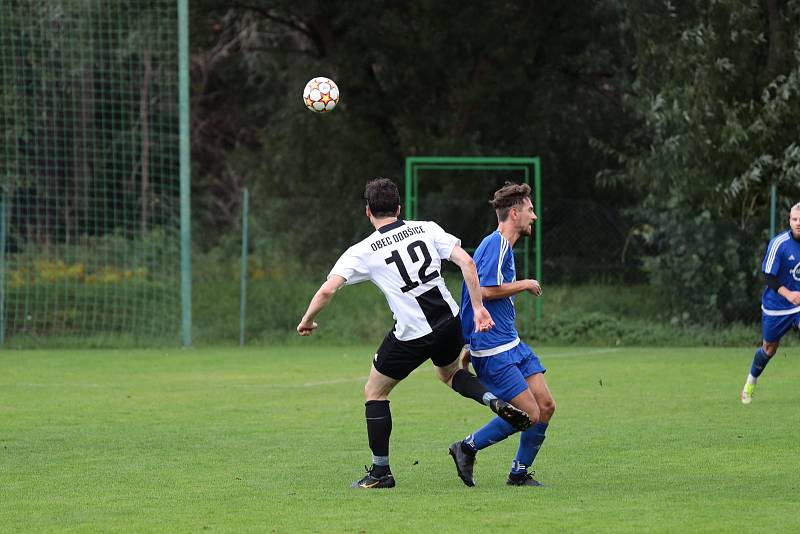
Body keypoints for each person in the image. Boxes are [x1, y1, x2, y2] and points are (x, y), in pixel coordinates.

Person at [296, 177, 530, 489]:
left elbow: (327, 291)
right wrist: (478, 308)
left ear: (368, 212)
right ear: (399, 208)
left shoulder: (362, 250)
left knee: (375, 392)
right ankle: (491, 399)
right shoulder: (426, 227)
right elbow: (467, 262)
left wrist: (307, 320)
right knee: (448, 373)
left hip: (413, 334)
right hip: (450, 323)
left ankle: (380, 473)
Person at [448, 182, 555, 487]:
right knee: (529, 413)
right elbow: (482, 290)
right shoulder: (496, 244)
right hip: (495, 351)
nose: (534, 216)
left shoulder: (502, 247)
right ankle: (466, 447)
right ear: (514, 212)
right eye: (530, 210)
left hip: (511, 343)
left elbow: (474, 296)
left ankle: (519, 473)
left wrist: (469, 341)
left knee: (545, 406)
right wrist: (525, 283)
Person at [740, 202, 800, 404]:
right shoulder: (779, 243)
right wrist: (788, 294)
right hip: (777, 306)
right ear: (789, 221)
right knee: (769, 349)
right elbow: (768, 276)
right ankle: (751, 381)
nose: (798, 223)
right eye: (794, 219)